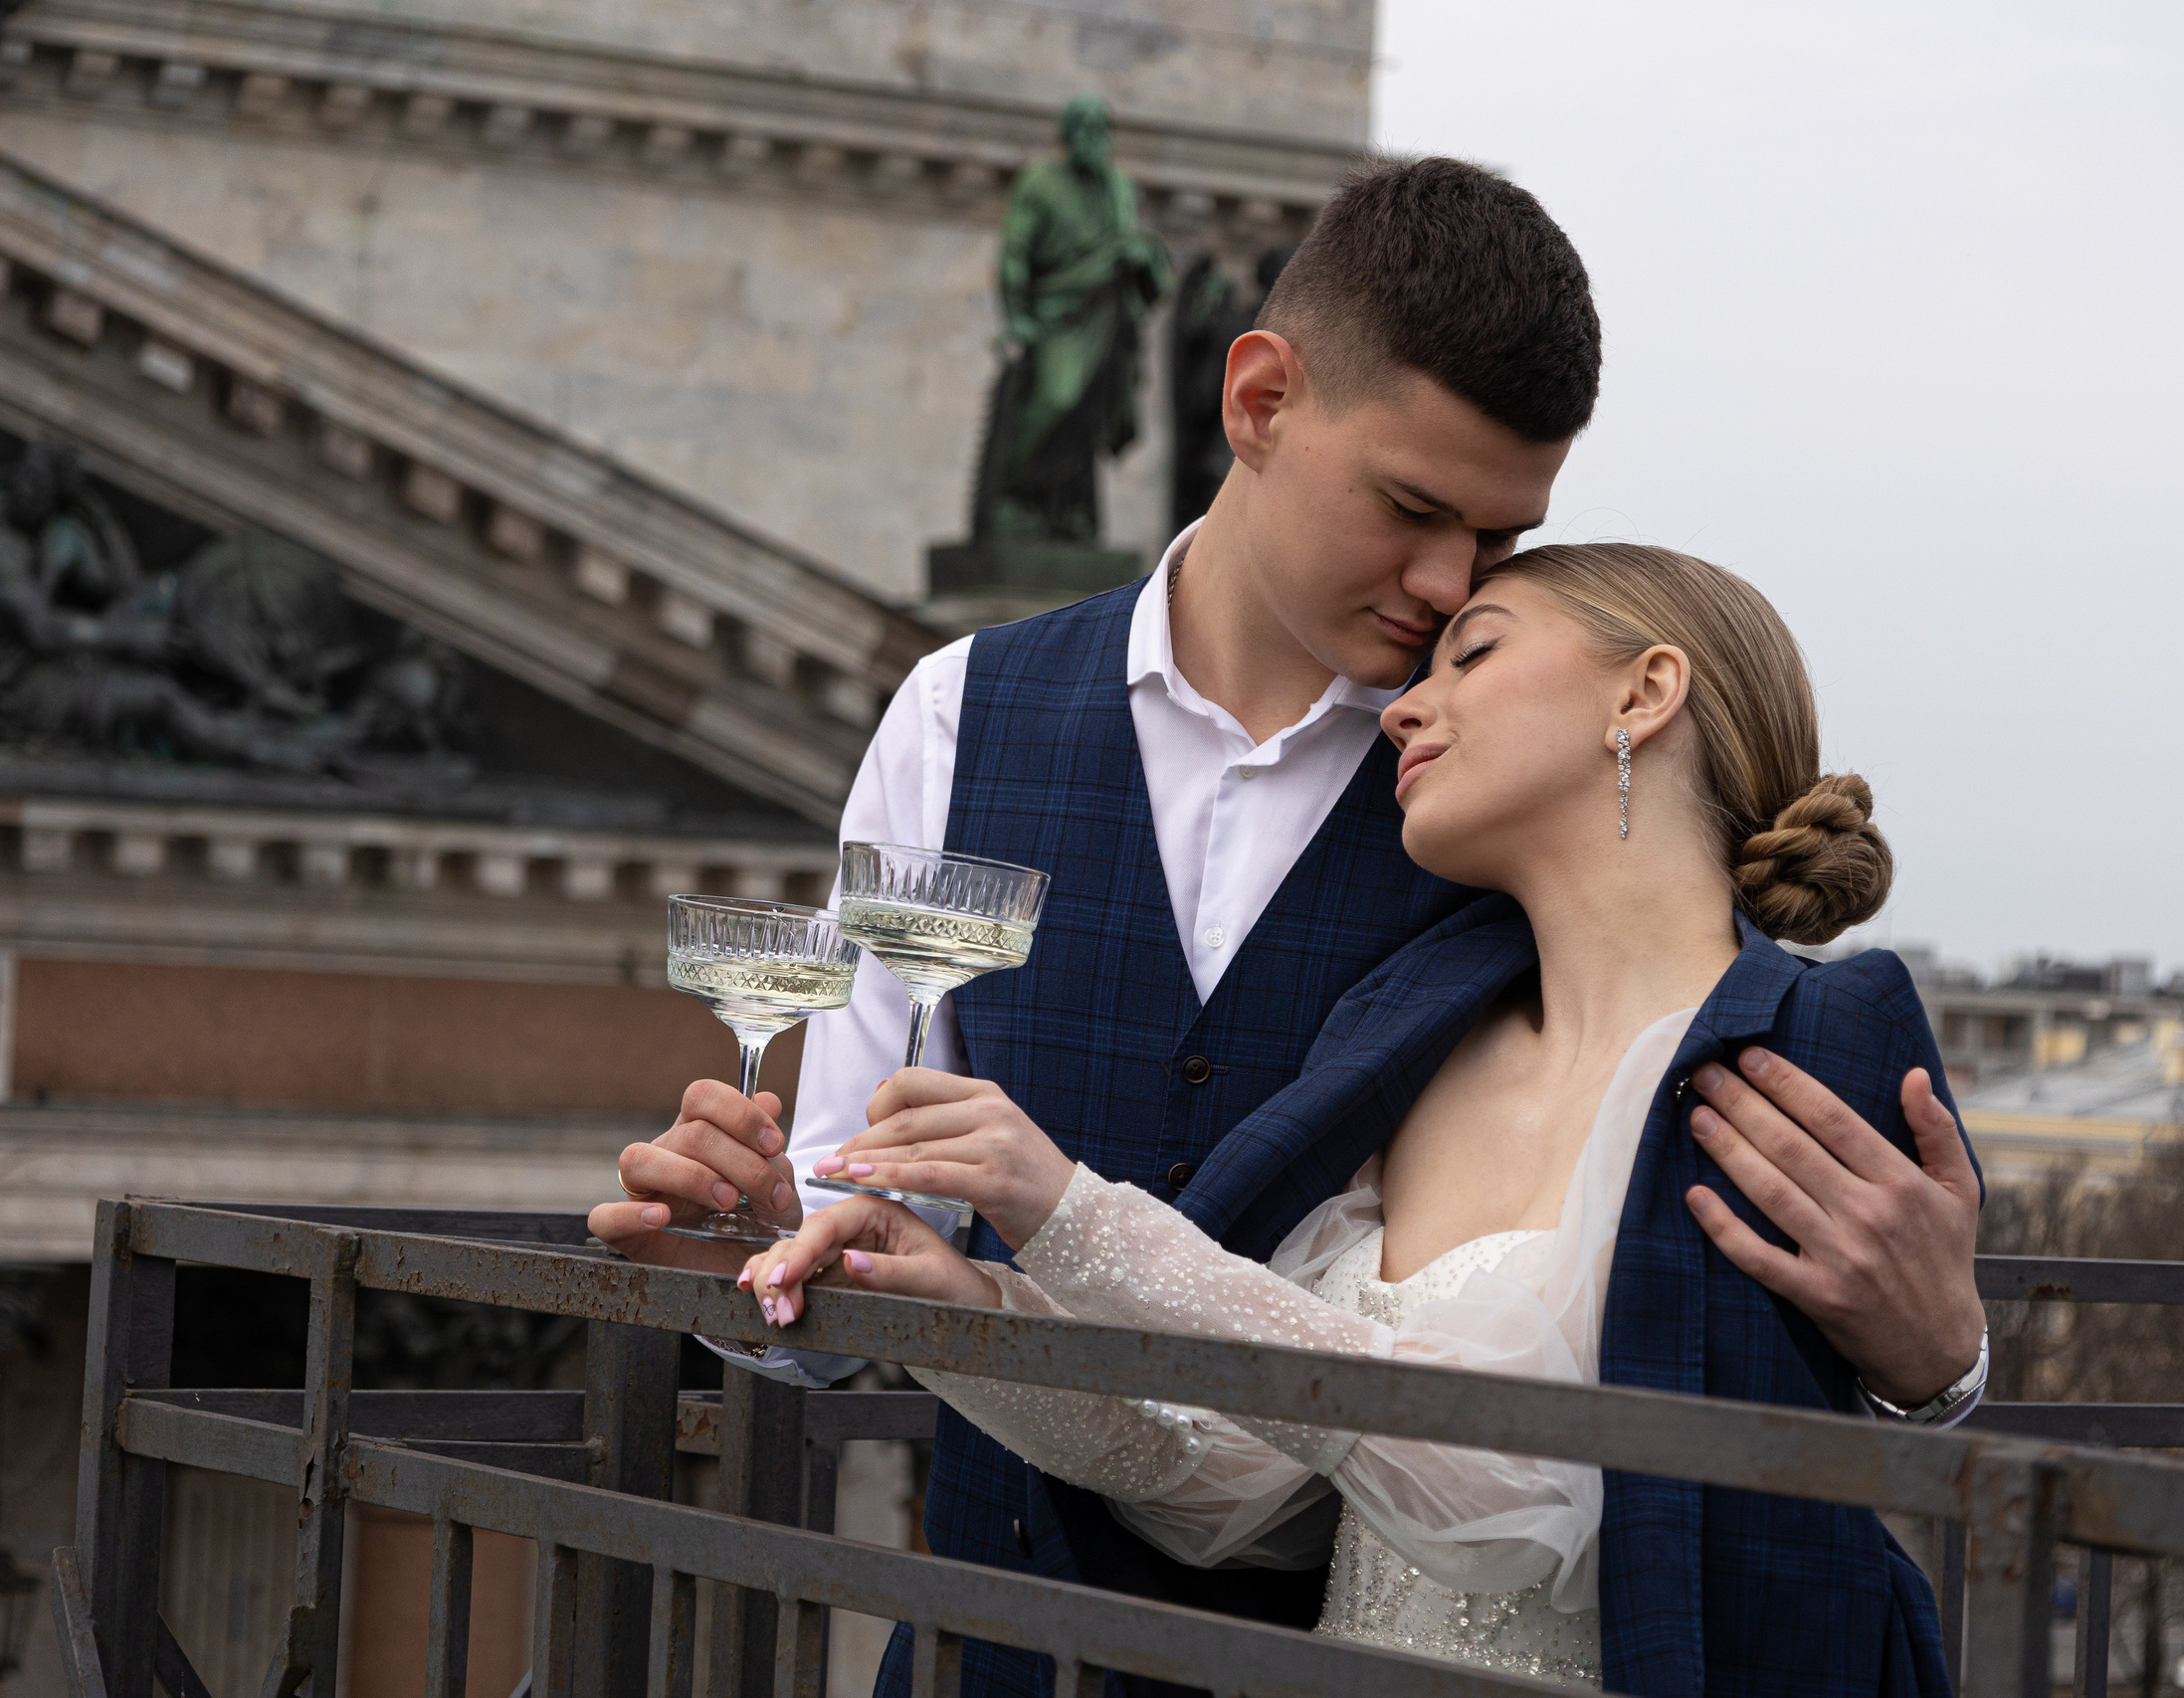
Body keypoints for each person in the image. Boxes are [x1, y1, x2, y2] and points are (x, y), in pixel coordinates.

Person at [592, 159, 1978, 1698]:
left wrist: (1944, 1366)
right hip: (998, 1642)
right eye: (1411, 508)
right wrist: (768, 1254)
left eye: (1500, 547)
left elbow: (1709, 1336)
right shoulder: (959, 716)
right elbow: (852, 1210)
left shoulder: (1497, 809)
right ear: (1258, 401)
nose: (1446, 582)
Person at [742, 543, 1979, 1694]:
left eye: (1475, 653)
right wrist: (973, 1321)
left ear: (1645, 693)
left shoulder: (1810, 1041)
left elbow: (1535, 1495)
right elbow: (1246, 1494)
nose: (1400, 707)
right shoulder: (1416, 1033)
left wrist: (1068, 1211)